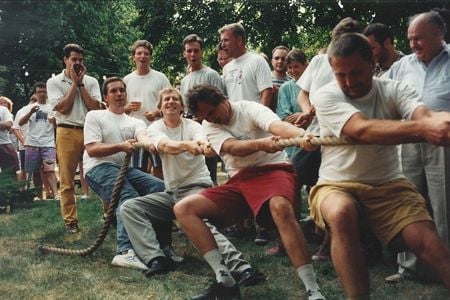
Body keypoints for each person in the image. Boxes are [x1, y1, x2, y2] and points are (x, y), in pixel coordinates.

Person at [306, 32, 450, 298]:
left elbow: (424, 115)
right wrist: (425, 128)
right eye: (341, 75)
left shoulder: (393, 90)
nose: (349, 82)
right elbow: (361, 129)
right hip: (336, 185)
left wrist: (436, 123)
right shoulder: (326, 95)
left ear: (372, 62)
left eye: (356, 72)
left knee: (431, 244)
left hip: (389, 186)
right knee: (341, 213)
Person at [174, 84, 324, 300]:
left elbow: (277, 126)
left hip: (273, 170)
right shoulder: (209, 125)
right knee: (184, 208)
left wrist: (302, 136)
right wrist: (261, 144)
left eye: (211, 112)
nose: (210, 118)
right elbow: (233, 147)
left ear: (222, 100)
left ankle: (313, 289)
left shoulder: (249, 108)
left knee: (280, 206)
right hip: (240, 181)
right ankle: (224, 279)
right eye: (204, 116)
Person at [120, 87, 265, 286]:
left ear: (181, 106)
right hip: (172, 193)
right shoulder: (155, 128)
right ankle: (157, 258)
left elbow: (202, 139)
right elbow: (165, 146)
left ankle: (242, 268)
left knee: (202, 223)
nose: (171, 102)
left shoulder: (194, 126)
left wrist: (202, 144)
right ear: (160, 108)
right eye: (166, 100)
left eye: (175, 99)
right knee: (130, 207)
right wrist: (188, 146)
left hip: (198, 187)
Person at [386, 11, 450, 283]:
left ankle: (444, 266)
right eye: (410, 38)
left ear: (439, 34)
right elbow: (380, 93)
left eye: (419, 38)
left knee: (444, 204)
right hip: (408, 140)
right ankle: (409, 268)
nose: (413, 44)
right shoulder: (401, 66)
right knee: (409, 203)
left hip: (443, 143)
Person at [295, 17, 363, 263]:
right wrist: (307, 109)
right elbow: (303, 92)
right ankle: (293, 233)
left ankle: (329, 240)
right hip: (314, 133)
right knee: (294, 176)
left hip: (341, 138)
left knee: (337, 187)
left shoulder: (360, 65)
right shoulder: (318, 61)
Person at [83, 77, 165, 270]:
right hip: (98, 167)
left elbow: (142, 136)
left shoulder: (134, 121)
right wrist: (120, 146)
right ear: (105, 97)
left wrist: (149, 145)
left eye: (122, 90)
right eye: (113, 91)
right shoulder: (95, 116)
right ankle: (125, 251)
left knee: (159, 187)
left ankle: (162, 245)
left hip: (123, 169)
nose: (119, 94)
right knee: (127, 196)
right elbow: (92, 149)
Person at [47, 43, 102, 233]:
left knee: (102, 172)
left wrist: (80, 84)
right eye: (74, 59)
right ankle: (71, 221)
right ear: (65, 60)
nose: (77, 63)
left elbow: (95, 107)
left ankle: (108, 215)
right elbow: (63, 108)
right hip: (66, 130)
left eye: (80, 60)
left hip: (90, 129)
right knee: (67, 178)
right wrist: (73, 83)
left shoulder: (92, 81)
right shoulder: (54, 82)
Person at [268, 48, 308, 257]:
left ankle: (320, 233)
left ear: (306, 65)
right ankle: (288, 236)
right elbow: (283, 117)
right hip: (293, 145)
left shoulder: (314, 85)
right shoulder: (286, 88)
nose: (293, 71)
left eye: (296, 66)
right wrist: (303, 115)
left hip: (315, 143)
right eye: (290, 67)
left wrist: (302, 115)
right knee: (291, 187)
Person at [180, 34, 224, 186]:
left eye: (196, 50)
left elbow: (221, 103)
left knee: (209, 174)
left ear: (202, 52)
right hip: (191, 132)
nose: (193, 54)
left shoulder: (211, 75)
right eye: (189, 51)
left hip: (209, 131)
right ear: (184, 53)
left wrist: (202, 118)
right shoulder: (185, 80)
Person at [123, 39, 171, 179]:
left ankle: (161, 195)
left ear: (150, 57)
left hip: (157, 129)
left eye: (146, 53)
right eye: (139, 53)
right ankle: (143, 197)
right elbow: (120, 108)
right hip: (135, 132)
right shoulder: (127, 80)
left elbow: (170, 100)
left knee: (159, 166)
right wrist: (128, 107)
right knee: (138, 168)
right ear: (133, 57)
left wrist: (157, 112)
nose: (142, 56)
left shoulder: (160, 78)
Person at [18, 82, 58, 200]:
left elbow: (59, 124)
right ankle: (39, 196)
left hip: (48, 143)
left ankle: (55, 195)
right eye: (39, 91)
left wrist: (54, 121)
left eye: (44, 91)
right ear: (35, 93)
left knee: (50, 170)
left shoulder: (53, 108)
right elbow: (20, 123)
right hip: (32, 143)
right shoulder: (29, 108)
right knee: (34, 171)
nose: (41, 94)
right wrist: (31, 112)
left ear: (47, 93)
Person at [219, 22, 273, 107]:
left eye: (226, 40)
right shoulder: (226, 68)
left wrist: (261, 117)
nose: (222, 45)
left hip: (254, 118)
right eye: (221, 41)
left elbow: (267, 92)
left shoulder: (257, 61)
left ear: (239, 40)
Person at [0, 98, 19, 176]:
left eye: (5, 103)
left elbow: (9, 125)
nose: (4, 104)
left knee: (10, 173)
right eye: (2, 102)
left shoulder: (3, 109)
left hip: (3, 144)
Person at [270, 45, 290, 111]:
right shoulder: (264, 78)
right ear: (272, 61)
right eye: (276, 58)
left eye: (283, 59)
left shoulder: (293, 82)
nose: (280, 61)